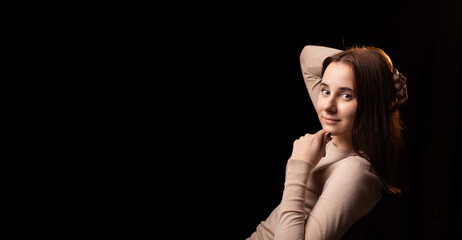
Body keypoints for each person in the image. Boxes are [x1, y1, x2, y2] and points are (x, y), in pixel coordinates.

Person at [246, 45, 408, 240]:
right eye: (325, 90)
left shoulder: (355, 171)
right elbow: (307, 56)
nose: (328, 106)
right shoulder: (339, 130)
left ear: (371, 102)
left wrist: (298, 166)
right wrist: (383, 74)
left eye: (346, 95)